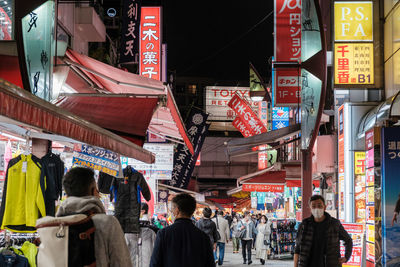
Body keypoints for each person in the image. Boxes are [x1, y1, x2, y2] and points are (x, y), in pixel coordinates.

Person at [57, 167, 132, 267]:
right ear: (92, 192)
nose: (99, 195)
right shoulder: (108, 223)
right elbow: (122, 262)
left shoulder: (55, 224)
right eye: (97, 191)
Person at [150, 193, 215, 267]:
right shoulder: (204, 237)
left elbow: (155, 263)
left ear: (177, 210)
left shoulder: (163, 234)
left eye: (172, 209)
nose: (172, 212)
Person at [294, 195, 353, 267]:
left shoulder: (334, 224)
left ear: (324, 207)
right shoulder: (304, 225)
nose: (317, 208)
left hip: (331, 264)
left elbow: (348, 240)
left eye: (319, 205)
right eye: (313, 206)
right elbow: (297, 248)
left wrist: (346, 257)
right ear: (310, 208)